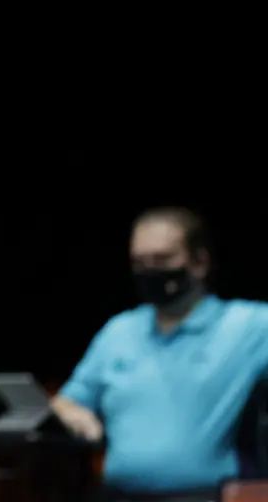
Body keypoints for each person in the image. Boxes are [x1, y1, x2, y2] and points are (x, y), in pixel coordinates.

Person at [51, 206, 268, 498]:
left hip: (203, 495)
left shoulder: (246, 326)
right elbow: (67, 401)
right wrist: (78, 417)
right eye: (140, 262)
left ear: (200, 262)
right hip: (118, 495)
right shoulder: (119, 331)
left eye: (162, 259)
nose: (150, 271)